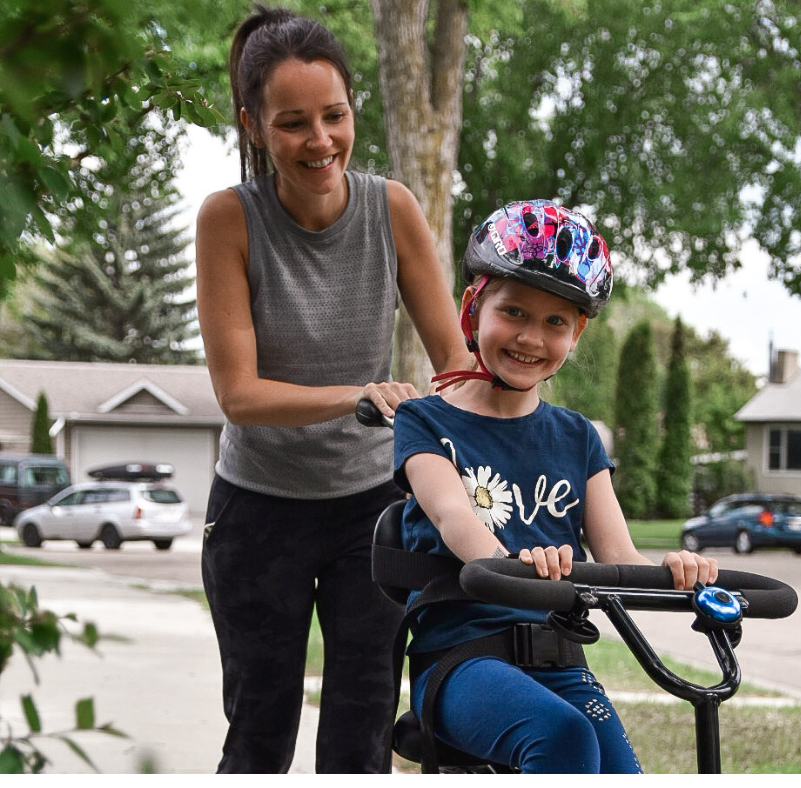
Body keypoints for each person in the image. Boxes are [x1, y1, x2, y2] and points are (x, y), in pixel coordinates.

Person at [194, 5, 469, 774]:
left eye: (334, 116)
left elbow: (452, 359)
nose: (319, 141)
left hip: (370, 512)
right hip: (257, 512)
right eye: (292, 123)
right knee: (260, 728)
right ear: (254, 125)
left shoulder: (393, 208)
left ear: (353, 110)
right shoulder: (229, 220)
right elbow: (239, 394)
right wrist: (362, 396)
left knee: (361, 727)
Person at [392, 200, 720, 774]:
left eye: (555, 323)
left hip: (562, 661)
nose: (530, 337)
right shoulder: (426, 422)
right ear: (474, 306)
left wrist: (678, 573)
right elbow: (455, 520)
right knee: (563, 738)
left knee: (621, 773)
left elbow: (619, 558)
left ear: (577, 334)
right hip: (461, 659)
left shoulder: (577, 438)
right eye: (513, 311)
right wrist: (514, 562)